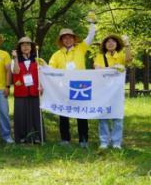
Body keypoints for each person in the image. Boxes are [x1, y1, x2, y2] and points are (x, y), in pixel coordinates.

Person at [48, 12, 97, 147]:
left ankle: (83, 140)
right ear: (61, 40)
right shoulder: (56, 55)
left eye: (70, 37)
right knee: (63, 113)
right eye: (65, 38)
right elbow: (50, 70)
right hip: (63, 87)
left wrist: (92, 23)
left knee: (82, 114)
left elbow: (91, 36)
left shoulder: (81, 48)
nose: (67, 40)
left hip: (80, 86)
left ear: (74, 39)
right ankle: (65, 139)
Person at [93, 33, 133, 149]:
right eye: (108, 41)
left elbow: (129, 60)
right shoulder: (100, 56)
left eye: (113, 41)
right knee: (103, 116)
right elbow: (97, 69)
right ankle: (104, 141)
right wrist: (113, 68)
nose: (110, 43)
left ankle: (116, 142)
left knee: (117, 116)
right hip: (103, 91)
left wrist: (127, 45)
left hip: (117, 91)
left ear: (117, 44)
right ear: (104, 44)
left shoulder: (121, 55)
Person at [12, 37, 44, 144]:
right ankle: (22, 137)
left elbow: (42, 75)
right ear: (19, 48)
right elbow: (16, 71)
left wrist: (42, 85)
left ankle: (37, 137)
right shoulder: (15, 60)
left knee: (35, 115)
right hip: (21, 91)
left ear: (31, 47)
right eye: (23, 45)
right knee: (21, 115)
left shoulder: (38, 59)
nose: (25, 47)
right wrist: (15, 58)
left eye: (28, 45)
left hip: (34, 90)